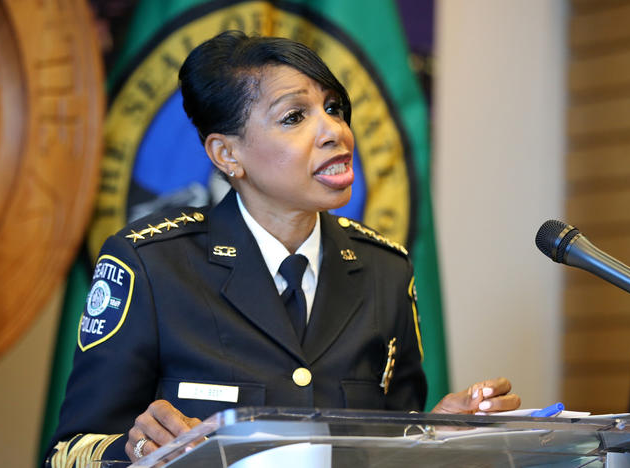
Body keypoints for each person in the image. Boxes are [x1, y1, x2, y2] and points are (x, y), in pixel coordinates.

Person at [45, 30, 520, 466]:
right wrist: (134, 450)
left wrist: (438, 433)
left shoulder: (384, 271)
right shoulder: (151, 265)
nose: (335, 131)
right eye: (295, 117)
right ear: (227, 154)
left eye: (333, 108)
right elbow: (69, 452)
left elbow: (387, 445)